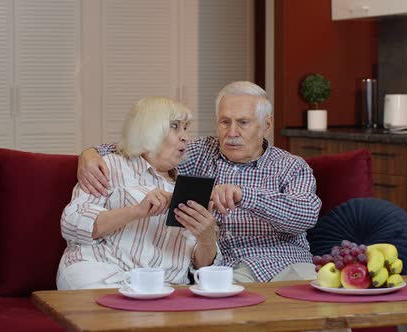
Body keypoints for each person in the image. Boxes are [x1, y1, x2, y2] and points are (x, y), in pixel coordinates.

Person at [77, 81, 321, 283]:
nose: (232, 132)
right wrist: (89, 154)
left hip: (285, 264)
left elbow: (305, 215)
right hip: (224, 271)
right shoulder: (199, 152)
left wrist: (245, 195)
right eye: (225, 122)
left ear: (266, 125)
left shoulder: (291, 166)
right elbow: (142, 146)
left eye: (243, 123)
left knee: (324, 317)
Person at [57, 96, 219, 290]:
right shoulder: (111, 166)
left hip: (160, 286)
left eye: (186, 128)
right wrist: (136, 211)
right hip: (100, 272)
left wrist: (207, 237)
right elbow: (71, 224)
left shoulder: (187, 188)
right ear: (148, 129)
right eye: (175, 126)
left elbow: (200, 267)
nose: (185, 136)